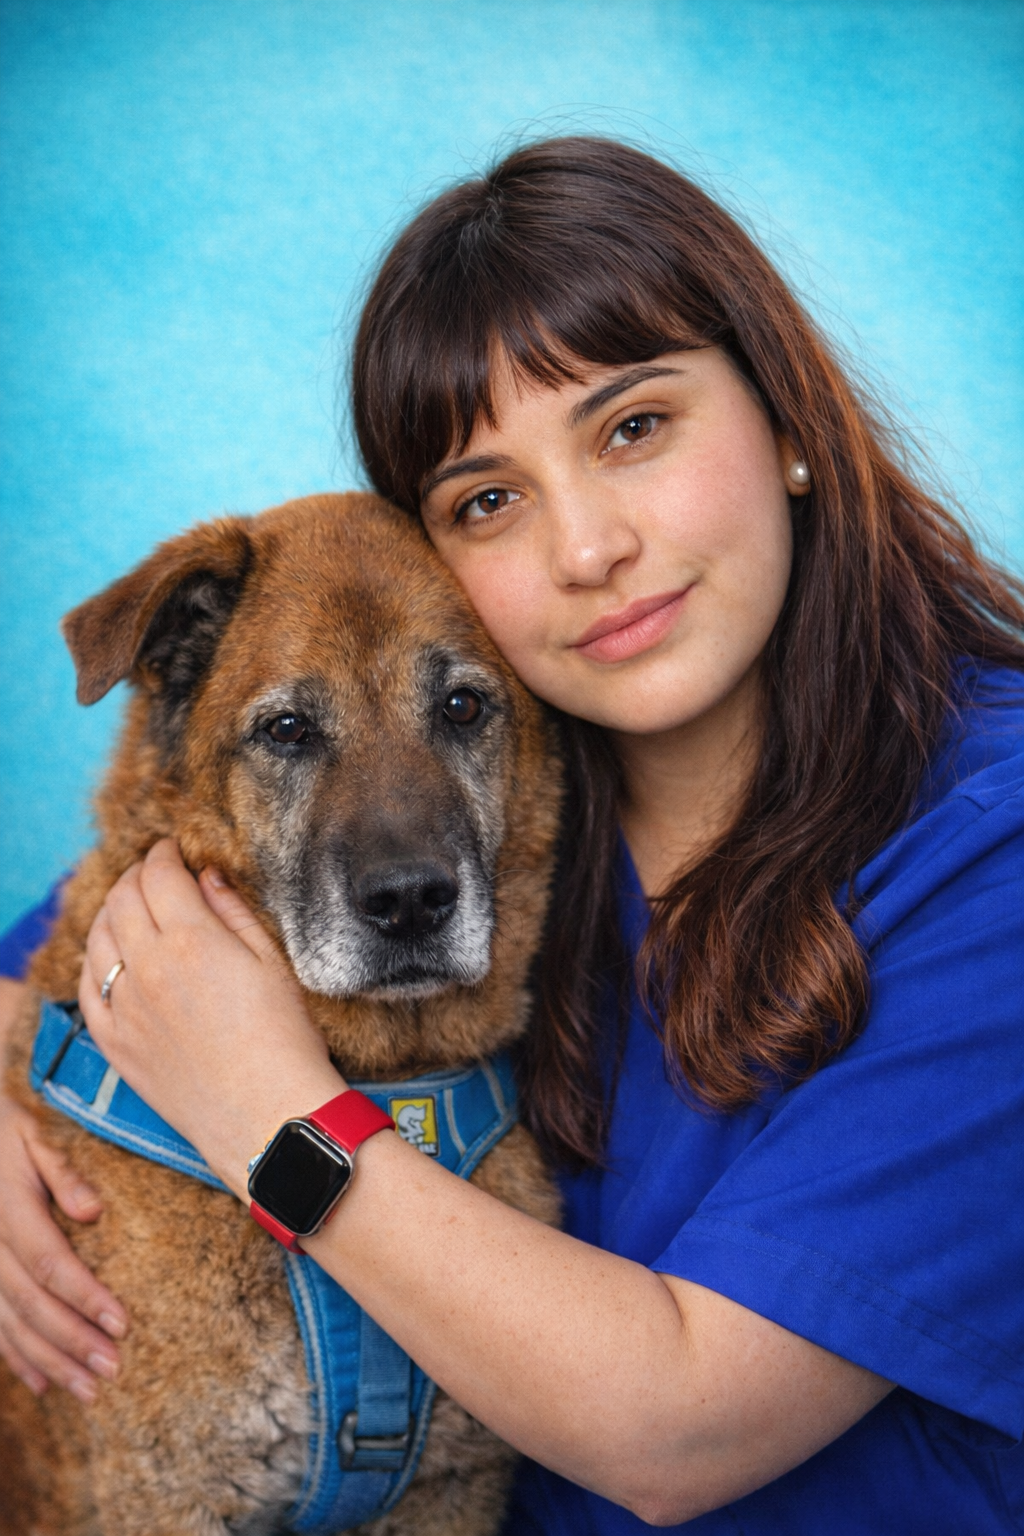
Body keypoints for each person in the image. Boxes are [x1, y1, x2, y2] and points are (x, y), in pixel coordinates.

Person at [0, 137, 1022, 1534]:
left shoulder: (989, 857)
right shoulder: (534, 765)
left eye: (634, 427)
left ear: (789, 419)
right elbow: (85, 936)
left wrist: (265, 1108)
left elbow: (679, 1432)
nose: (586, 549)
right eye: (489, 499)